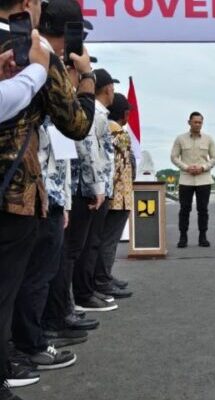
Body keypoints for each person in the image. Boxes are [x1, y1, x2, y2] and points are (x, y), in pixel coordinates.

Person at [0, 0, 95, 394]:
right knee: (7, 289)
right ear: (27, 5)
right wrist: (86, 79)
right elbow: (76, 123)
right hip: (14, 190)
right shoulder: (35, 51)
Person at [71, 68, 118, 312]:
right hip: (92, 188)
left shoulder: (100, 113)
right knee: (87, 245)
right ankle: (83, 293)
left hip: (98, 185)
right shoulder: (95, 114)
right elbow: (89, 150)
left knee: (92, 242)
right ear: (108, 88)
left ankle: (86, 290)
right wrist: (97, 186)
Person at [94, 93, 134, 299]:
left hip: (110, 194)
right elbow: (116, 167)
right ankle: (103, 280)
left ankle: (105, 277)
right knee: (109, 241)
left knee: (104, 240)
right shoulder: (119, 133)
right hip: (118, 196)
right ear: (125, 114)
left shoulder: (103, 128)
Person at [171, 112, 215, 248]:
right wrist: (186, 167)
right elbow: (174, 157)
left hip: (204, 179)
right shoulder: (180, 139)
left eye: (200, 122)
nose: (197, 124)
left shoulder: (208, 139)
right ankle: (183, 236)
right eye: (195, 122)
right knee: (184, 209)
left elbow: (214, 158)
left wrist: (203, 167)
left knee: (203, 209)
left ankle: (203, 236)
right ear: (189, 122)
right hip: (186, 179)